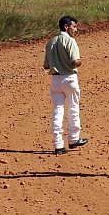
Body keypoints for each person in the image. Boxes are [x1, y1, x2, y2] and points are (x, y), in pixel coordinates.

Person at [43, 15, 89, 155]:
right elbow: (75, 61)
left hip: (55, 80)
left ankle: (58, 144)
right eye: (74, 27)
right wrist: (80, 62)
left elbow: (46, 66)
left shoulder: (51, 42)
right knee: (73, 107)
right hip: (69, 78)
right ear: (66, 27)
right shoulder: (70, 41)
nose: (76, 29)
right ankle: (74, 139)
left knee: (58, 110)